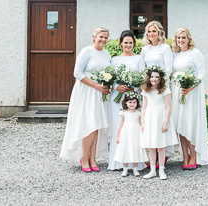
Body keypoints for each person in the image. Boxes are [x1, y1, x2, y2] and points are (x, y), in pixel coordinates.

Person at [59, 27, 111, 172]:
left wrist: (106, 86)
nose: (103, 40)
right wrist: (95, 85)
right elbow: (77, 73)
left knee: (97, 126)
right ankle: (84, 157)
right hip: (87, 91)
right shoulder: (86, 51)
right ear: (94, 36)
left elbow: (108, 74)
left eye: (106, 37)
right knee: (90, 124)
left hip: (100, 93)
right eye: (101, 37)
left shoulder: (107, 54)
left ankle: (93, 158)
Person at [171, 27, 208, 169]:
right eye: (178, 38)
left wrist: (190, 87)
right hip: (177, 92)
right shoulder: (174, 54)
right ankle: (185, 156)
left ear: (189, 39)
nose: (180, 40)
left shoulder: (195, 53)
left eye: (183, 37)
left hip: (191, 93)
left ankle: (194, 156)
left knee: (189, 123)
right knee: (179, 124)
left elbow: (201, 73)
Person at [108, 30, 146, 171]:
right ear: (121, 43)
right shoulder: (114, 60)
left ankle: (135, 163)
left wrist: (132, 86)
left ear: (134, 44)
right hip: (117, 98)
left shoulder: (139, 59)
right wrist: (117, 87)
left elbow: (143, 78)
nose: (128, 45)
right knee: (118, 128)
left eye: (130, 42)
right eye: (126, 42)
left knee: (133, 128)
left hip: (133, 97)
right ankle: (117, 162)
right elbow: (110, 78)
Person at [140, 67, 178, 180]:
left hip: (160, 118)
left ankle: (161, 169)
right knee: (151, 146)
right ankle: (152, 170)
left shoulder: (164, 90)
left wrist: (165, 122)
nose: (154, 79)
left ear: (160, 78)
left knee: (161, 146)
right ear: (148, 77)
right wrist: (143, 122)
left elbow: (168, 107)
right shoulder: (146, 90)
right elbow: (144, 107)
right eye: (152, 76)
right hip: (150, 118)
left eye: (157, 77)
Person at [114, 92, 148, 177]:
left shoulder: (138, 112)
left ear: (137, 103)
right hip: (126, 133)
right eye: (130, 102)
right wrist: (117, 135)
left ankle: (135, 169)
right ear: (126, 102)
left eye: (134, 102)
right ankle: (125, 169)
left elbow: (141, 123)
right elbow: (120, 124)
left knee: (135, 149)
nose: (132, 104)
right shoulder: (123, 112)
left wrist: (143, 131)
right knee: (125, 149)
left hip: (136, 133)